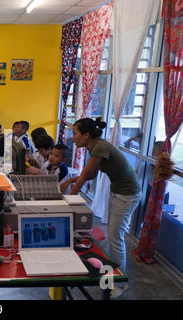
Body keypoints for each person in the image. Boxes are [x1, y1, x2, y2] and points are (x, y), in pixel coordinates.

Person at [60, 117, 141, 298]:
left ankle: (119, 284)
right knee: (115, 237)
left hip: (127, 195)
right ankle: (112, 275)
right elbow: (91, 174)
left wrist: (66, 199)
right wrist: (71, 182)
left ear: (86, 135)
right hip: (118, 192)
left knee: (115, 238)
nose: (72, 137)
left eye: (75, 133)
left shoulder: (100, 146)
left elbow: (84, 177)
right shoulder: (93, 145)